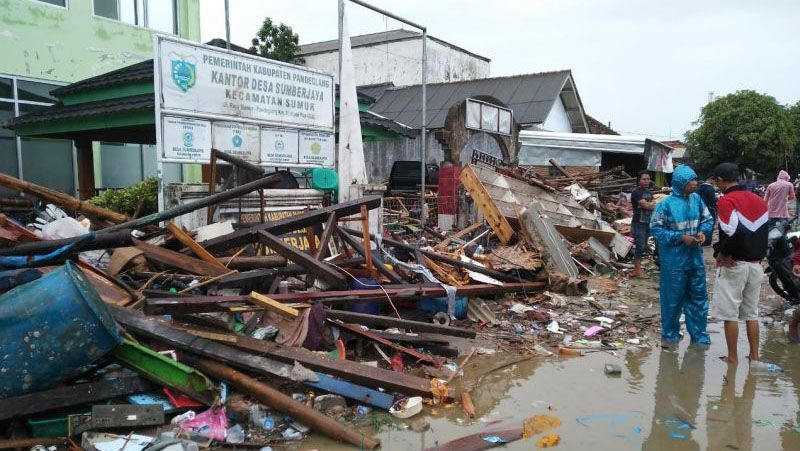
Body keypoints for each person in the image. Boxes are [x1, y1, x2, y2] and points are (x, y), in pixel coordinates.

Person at [710, 162, 769, 365]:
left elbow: (735, 232)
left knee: (730, 315)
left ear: (720, 180)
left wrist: (723, 253)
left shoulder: (727, 200)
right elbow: (763, 234)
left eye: (715, 181)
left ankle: (733, 358)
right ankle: (754, 356)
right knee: (752, 313)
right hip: (756, 264)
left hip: (735, 264)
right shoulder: (759, 200)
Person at [650, 165, 714, 346]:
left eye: (695, 179)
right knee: (672, 299)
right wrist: (680, 237)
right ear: (680, 183)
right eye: (691, 181)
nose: (695, 183)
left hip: (695, 258)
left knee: (699, 296)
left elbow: (707, 219)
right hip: (673, 260)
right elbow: (656, 229)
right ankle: (670, 335)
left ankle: (699, 336)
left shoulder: (697, 200)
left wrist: (703, 232)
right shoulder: (665, 204)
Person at [630, 170, 657, 278]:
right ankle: (637, 271)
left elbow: (651, 205)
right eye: (644, 179)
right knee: (640, 246)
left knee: (644, 246)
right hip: (638, 223)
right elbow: (648, 206)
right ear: (638, 180)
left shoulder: (649, 192)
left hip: (647, 222)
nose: (646, 181)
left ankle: (638, 269)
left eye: (648, 179)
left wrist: (649, 204)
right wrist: (650, 204)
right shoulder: (636, 192)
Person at [696, 176, 718, 246]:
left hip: (700, 209)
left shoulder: (699, 187)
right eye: (714, 181)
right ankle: (707, 241)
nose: (715, 183)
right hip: (710, 209)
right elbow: (712, 201)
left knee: (701, 223)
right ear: (711, 180)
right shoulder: (710, 188)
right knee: (710, 223)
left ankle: (700, 239)